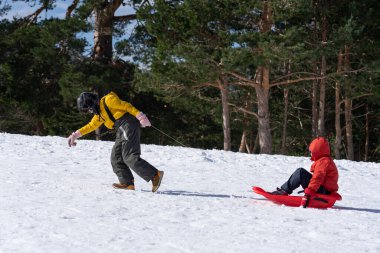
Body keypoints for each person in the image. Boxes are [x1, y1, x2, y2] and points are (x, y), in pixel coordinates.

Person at [67, 91, 164, 192]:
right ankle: (127, 183)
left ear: (92, 103)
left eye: (89, 109)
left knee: (129, 156)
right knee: (116, 157)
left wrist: (140, 116)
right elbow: (91, 126)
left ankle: (155, 175)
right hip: (121, 129)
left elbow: (126, 106)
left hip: (127, 125)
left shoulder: (108, 100)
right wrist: (75, 135)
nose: (90, 112)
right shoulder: (100, 115)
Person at [271, 137, 339, 206]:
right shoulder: (325, 160)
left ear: (318, 151)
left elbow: (318, 177)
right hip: (324, 190)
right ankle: (284, 190)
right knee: (301, 173)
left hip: (323, 192)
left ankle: (284, 191)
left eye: (312, 151)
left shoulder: (323, 162)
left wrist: (310, 191)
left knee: (300, 173)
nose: (311, 153)